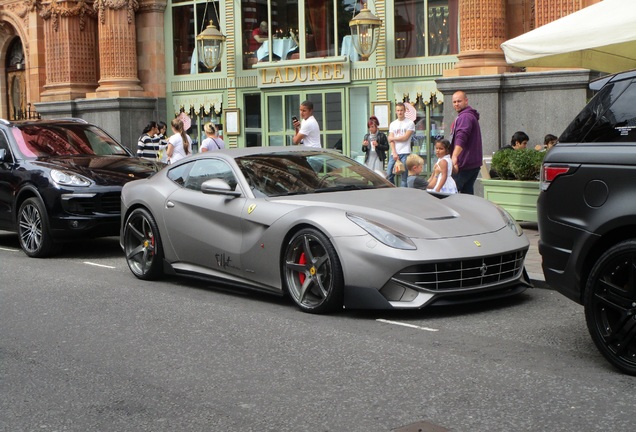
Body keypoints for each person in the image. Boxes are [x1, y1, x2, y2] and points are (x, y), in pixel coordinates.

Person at [449, 91, 483, 194]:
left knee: (449, 193)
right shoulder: (469, 115)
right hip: (472, 164)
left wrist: (454, 156)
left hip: (463, 164)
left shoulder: (465, 117)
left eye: (459, 101)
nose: (456, 104)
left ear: (466, 101)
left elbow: (461, 137)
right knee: (467, 196)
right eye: (454, 102)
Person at [386, 102, 415, 186]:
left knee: (404, 176)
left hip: (405, 152)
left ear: (405, 111)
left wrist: (392, 138)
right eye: (398, 110)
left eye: (401, 110)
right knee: (389, 174)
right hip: (394, 153)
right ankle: (393, 190)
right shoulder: (392, 124)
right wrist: (394, 152)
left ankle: (403, 194)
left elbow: (405, 137)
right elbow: (391, 141)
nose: (399, 112)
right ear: (395, 111)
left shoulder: (410, 123)